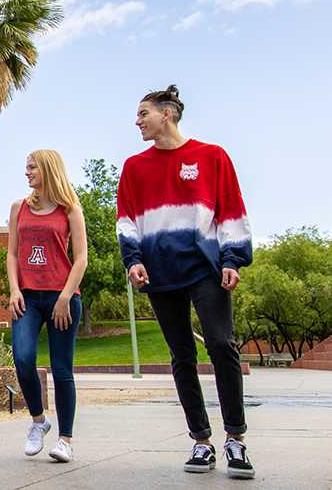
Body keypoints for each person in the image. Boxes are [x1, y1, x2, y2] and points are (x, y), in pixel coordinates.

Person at [117, 85, 255, 479]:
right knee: (182, 357)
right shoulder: (134, 166)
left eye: (144, 113)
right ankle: (201, 440)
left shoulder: (212, 156)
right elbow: (126, 219)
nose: (138, 121)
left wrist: (233, 259)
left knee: (220, 345)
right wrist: (134, 260)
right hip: (159, 273)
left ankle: (236, 439)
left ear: (169, 114)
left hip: (206, 269)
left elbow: (231, 211)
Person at [6, 149, 88, 463]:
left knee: (62, 369)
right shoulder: (19, 208)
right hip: (27, 297)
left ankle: (65, 439)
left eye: (32, 167)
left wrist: (66, 297)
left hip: (62, 298)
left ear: (48, 169)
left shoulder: (70, 209)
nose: (27, 172)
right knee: (23, 359)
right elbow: (12, 253)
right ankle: (39, 421)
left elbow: (81, 258)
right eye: (26, 167)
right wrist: (14, 289)